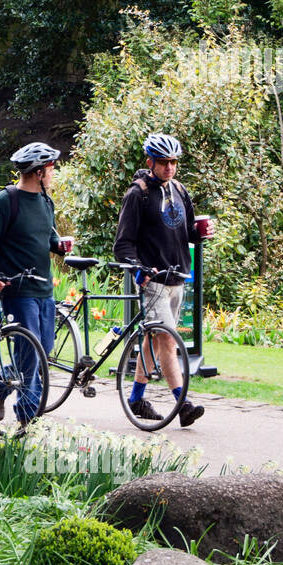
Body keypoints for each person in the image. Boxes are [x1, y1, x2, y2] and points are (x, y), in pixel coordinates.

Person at [113, 132, 211, 427]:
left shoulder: (179, 190)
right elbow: (123, 244)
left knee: (153, 342)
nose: (169, 167)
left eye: (173, 162)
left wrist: (201, 233)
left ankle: (136, 399)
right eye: (164, 162)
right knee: (167, 339)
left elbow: (188, 232)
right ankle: (183, 404)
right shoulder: (138, 194)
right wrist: (138, 270)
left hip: (178, 277)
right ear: (150, 162)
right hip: (153, 280)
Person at [0, 141, 65, 435]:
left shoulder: (45, 202)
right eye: (51, 168)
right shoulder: (5, 201)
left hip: (44, 290)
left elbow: (48, 238)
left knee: (44, 351)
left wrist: (60, 245)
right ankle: (29, 418)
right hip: (18, 291)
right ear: (39, 171)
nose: (53, 173)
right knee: (31, 353)